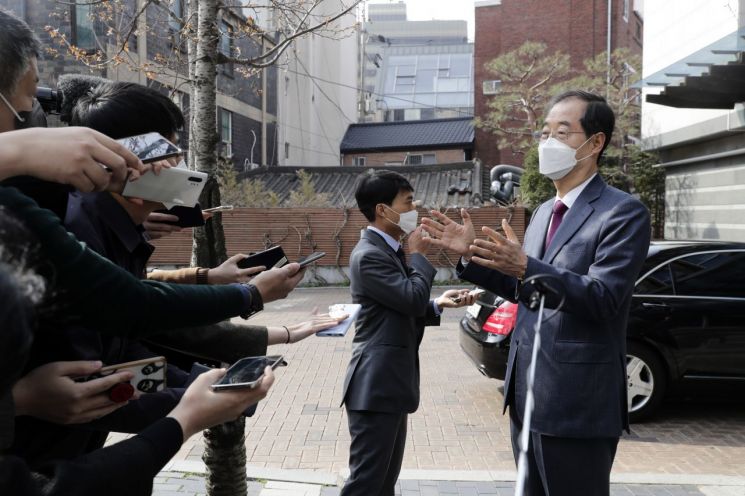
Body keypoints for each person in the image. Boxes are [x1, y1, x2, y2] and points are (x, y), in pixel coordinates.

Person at [422, 91, 651, 496]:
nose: (548, 143)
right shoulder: (544, 211)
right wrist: (470, 259)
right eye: (544, 132)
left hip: (576, 400)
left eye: (562, 133)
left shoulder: (623, 213)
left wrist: (527, 265)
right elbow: (528, 289)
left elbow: (604, 298)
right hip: (527, 391)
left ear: (595, 142)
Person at [0, 207, 276, 496]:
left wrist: (194, 388)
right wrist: (186, 417)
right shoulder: (77, 224)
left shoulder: (112, 233)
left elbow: (124, 343)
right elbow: (138, 308)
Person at [340, 170, 475, 496]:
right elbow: (411, 298)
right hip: (375, 386)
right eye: (408, 201)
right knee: (366, 484)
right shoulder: (369, 254)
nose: (415, 207)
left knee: (384, 483)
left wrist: (438, 304)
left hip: (388, 385)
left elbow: (401, 305)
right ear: (383, 210)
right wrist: (418, 257)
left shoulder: (387, 248)